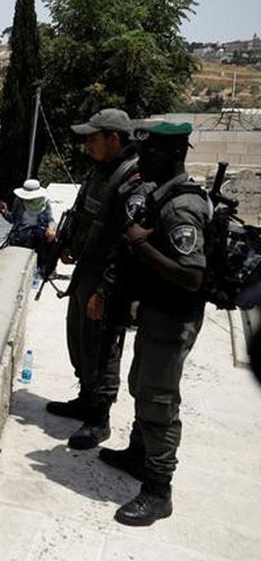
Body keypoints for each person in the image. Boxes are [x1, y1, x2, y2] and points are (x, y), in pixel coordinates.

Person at [95, 121, 209, 526]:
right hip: (156, 313)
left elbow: (192, 274)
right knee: (140, 384)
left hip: (173, 316)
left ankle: (159, 490)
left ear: (172, 155)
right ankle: (138, 456)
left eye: (150, 154)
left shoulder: (181, 207)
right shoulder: (164, 197)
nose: (141, 162)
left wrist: (141, 242)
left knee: (159, 400)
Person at [47, 108, 140, 451]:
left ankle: (99, 418)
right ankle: (85, 399)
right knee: (79, 338)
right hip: (86, 269)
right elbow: (86, 215)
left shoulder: (132, 179)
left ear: (114, 139)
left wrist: (104, 288)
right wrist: (69, 244)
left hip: (107, 279)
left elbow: (126, 242)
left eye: (93, 137)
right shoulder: (100, 172)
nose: (87, 143)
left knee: (102, 348)